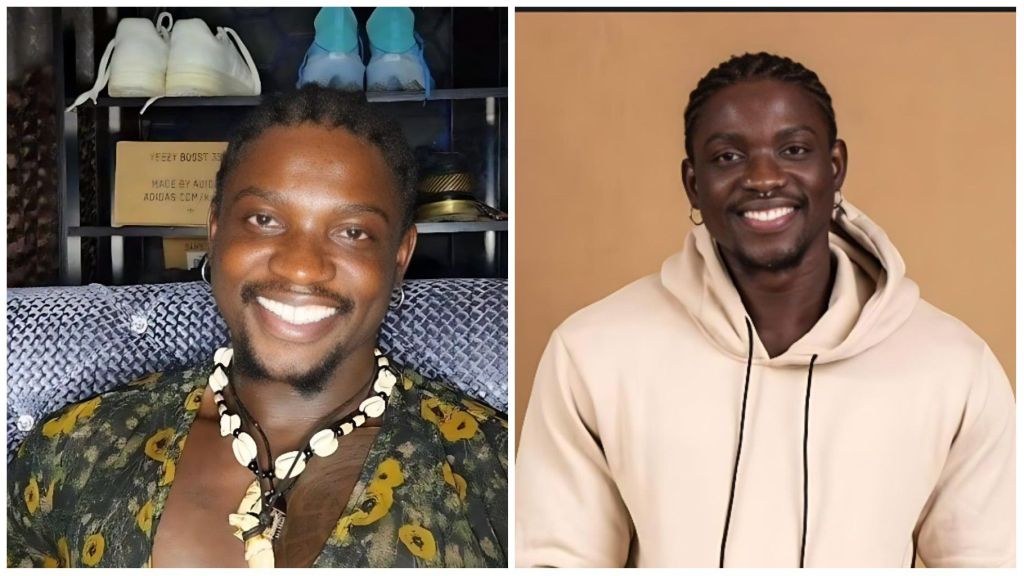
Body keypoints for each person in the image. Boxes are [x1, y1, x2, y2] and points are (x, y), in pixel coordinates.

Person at [516, 52, 1014, 568]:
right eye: (728, 157)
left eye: (793, 149)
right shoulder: (592, 352)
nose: (763, 178)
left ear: (835, 166)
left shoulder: (954, 366)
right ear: (693, 183)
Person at [8, 86, 508, 568]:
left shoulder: (499, 471)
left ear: (399, 258)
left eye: (353, 232)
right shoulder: (73, 451)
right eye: (264, 220)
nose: (301, 267)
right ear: (215, 232)